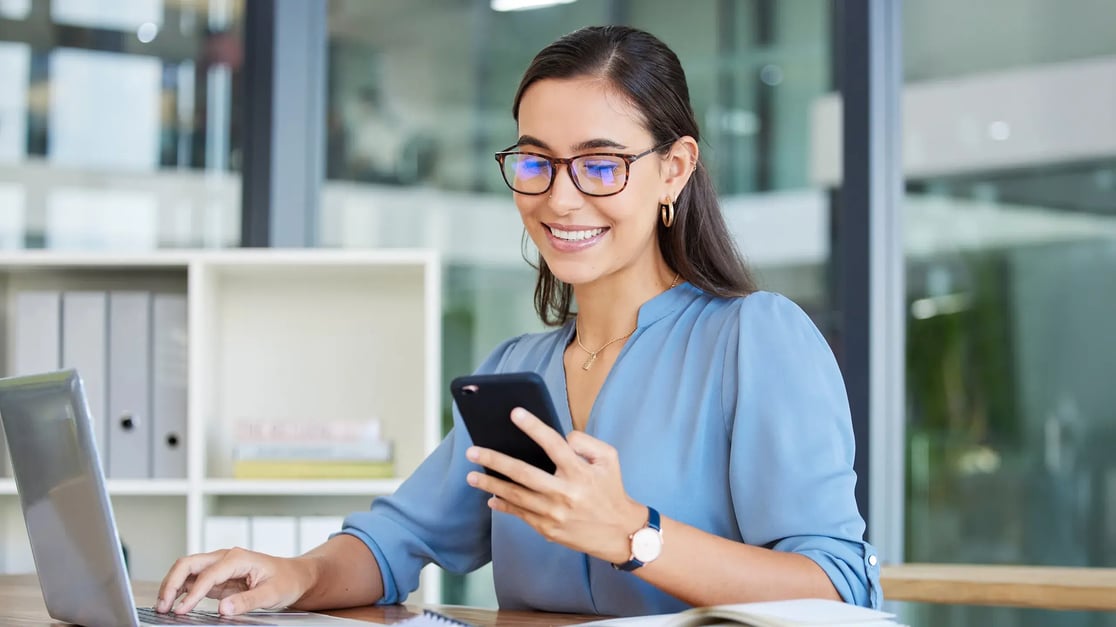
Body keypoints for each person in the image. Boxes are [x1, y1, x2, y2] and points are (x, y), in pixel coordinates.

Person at [156, 25, 881, 617]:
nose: (561, 200)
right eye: (536, 163)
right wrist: (294, 575)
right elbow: (394, 542)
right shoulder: (515, 369)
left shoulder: (755, 339)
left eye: (600, 165)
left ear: (675, 169)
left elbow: (840, 586)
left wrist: (635, 534)